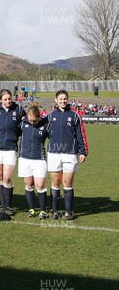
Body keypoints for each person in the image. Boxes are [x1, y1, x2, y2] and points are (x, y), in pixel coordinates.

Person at [46, 90, 88, 220]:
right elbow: (42, 131)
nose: (63, 101)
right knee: (55, 182)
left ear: (67, 100)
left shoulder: (74, 115)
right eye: (60, 99)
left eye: (65, 99)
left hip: (70, 154)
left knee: (67, 182)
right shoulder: (50, 115)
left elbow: (81, 134)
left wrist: (83, 151)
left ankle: (69, 211)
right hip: (54, 153)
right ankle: (54, 210)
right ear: (56, 100)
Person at [0, 88, 25, 215]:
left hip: (10, 148)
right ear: (0, 100)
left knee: (7, 177)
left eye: (9, 99)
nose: (8, 101)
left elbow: (25, 123)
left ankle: (8, 206)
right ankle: (2, 205)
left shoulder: (19, 109)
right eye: (5, 99)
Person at [18, 103, 49, 219]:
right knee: (29, 184)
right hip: (24, 158)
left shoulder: (45, 125)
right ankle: (31, 209)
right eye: (30, 120)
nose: (32, 123)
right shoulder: (22, 123)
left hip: (39, 159)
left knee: (40, 185)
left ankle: (43, 210)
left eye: (34, 121)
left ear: (39, 118)